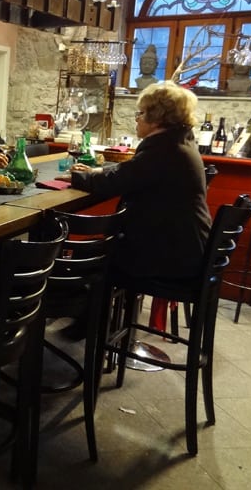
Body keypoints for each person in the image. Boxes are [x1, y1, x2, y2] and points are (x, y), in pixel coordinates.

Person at [67, 80, 212, 331]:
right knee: (93, 250)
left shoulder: (165, 149)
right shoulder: (178, 143)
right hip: (184, 247)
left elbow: (117, 181)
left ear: (156, 117)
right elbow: (132, 172)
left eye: (141, 113)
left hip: (169, 255)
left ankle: (93, 326)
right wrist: (97, 172)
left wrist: (78, 176)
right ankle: (95, 321)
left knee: (89, 254)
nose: (137, 119)